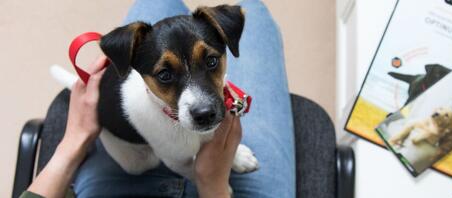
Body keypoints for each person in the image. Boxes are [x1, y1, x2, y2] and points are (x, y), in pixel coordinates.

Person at [22, 0, 295, 197]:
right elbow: (177, 161)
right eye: (165, 75)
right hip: (139, 155)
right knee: (256, 9)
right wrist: (212, 182)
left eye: (211, 61)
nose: (200, 103)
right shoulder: (141, 105)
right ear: (136, 69)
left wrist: (74, 140)